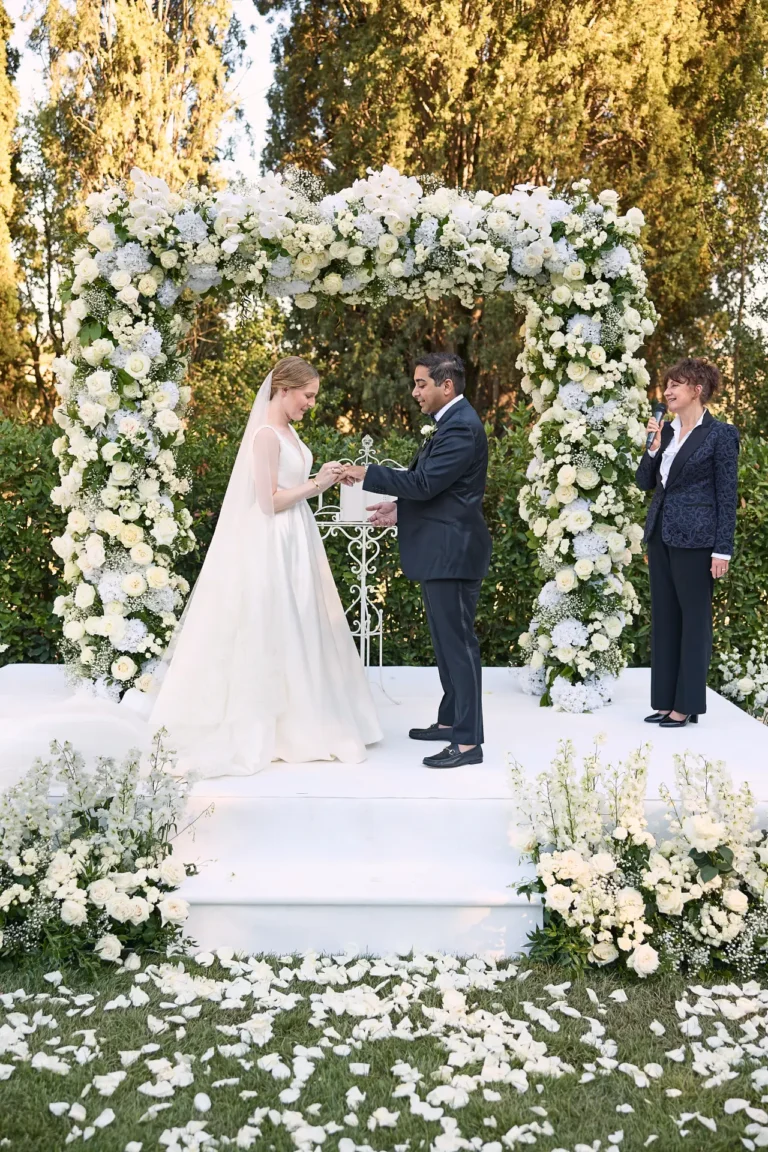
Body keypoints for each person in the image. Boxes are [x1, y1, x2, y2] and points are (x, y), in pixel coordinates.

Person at [149, 356, 382, 773]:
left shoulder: (289, 432)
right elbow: (268, 501)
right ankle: (274, 722)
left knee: (299, 621)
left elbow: (294, 486)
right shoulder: (264, 436)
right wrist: (318, 484)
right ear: (284, 389)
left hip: (296, 537)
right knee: (273, 623)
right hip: (272, 539)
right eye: (307, 396)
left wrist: (324, 474)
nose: (310, 404)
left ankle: (302, 712)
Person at [341, 353, 492, 769]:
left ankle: (467, 743)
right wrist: (397, 510)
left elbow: (425, 484)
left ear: (447, 386)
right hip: (442, 550)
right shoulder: (450, 424)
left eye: (421, 383)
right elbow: (440, 491)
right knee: (447, 647)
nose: (415, 391)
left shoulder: (460, 426)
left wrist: (366, 473)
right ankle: (449, 722)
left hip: (453, 553)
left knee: (459, 647)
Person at [636, 358, 739, 729]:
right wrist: (652, 448)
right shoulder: (665, 432)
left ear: (698, 389)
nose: (667, 392)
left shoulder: (721, 434)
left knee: (694, 622)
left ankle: (688, 704)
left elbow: (727, 495)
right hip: (661, 536)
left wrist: (722, 549)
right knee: (664, 620)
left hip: (698, 541)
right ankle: (665, 701)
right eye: (667, 385)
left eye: (676, 385)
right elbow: (644, 483)